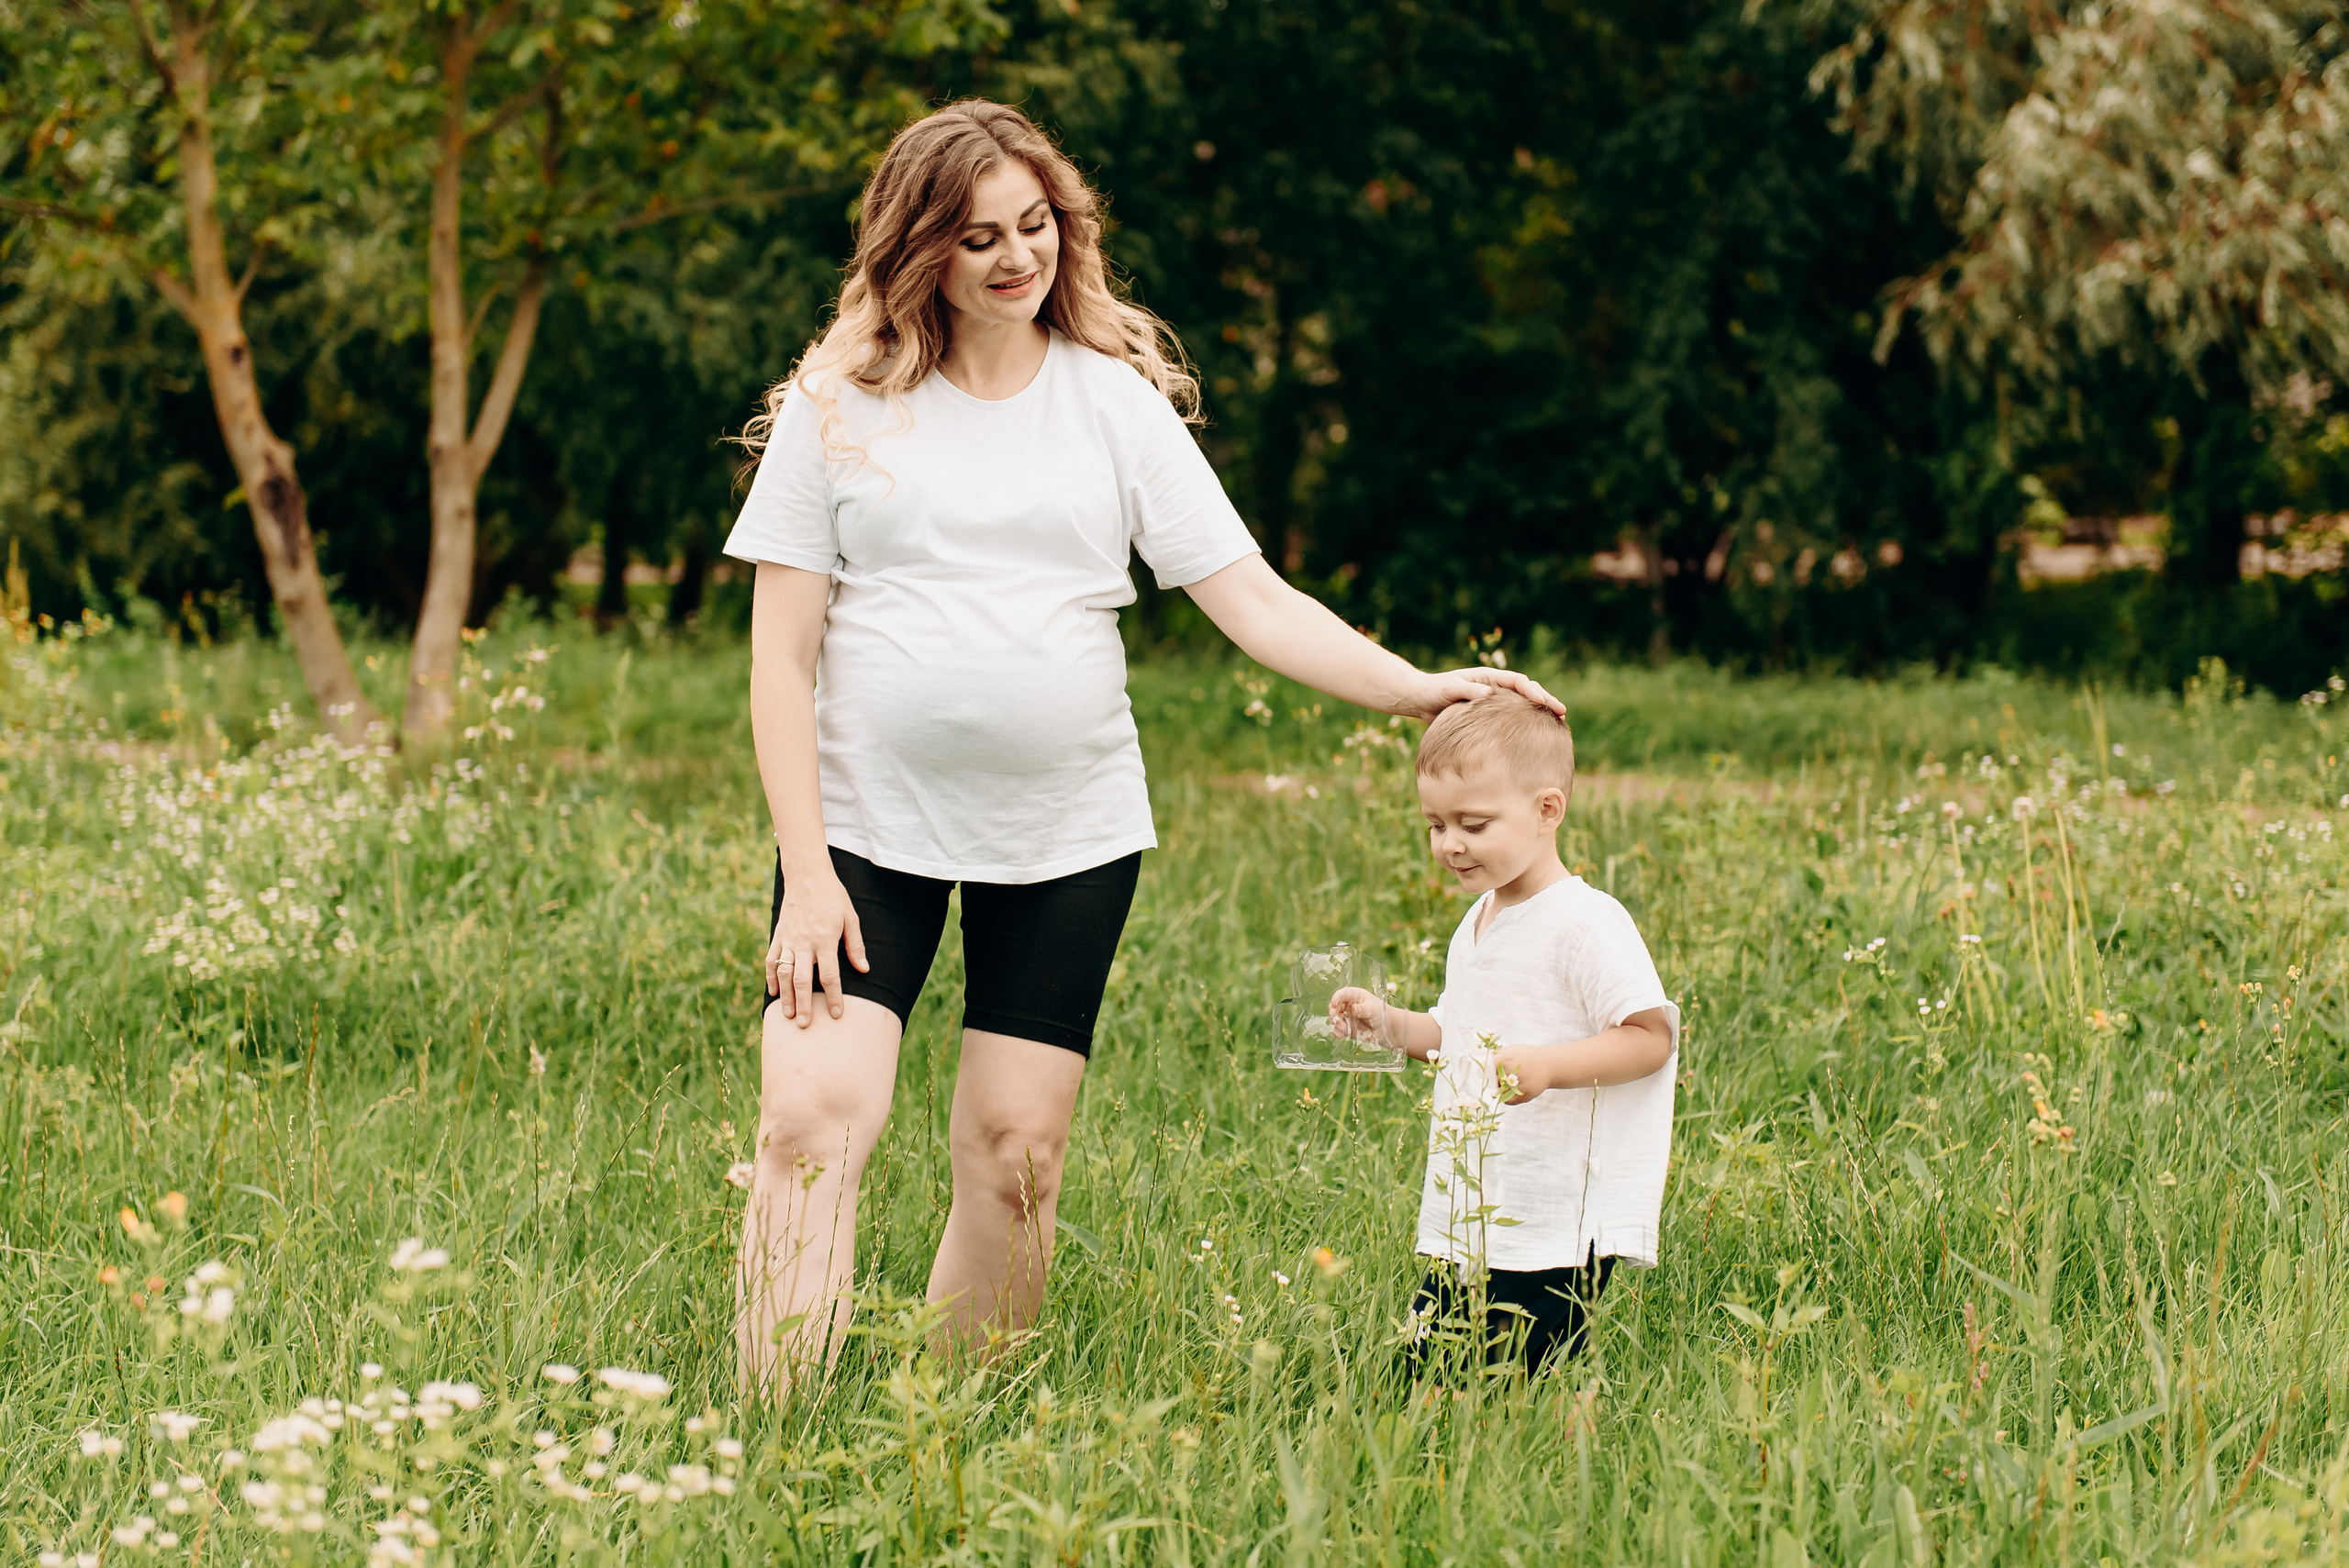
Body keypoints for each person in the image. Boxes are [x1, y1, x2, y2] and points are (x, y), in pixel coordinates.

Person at [723, 98, 1562, 1396]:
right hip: (858, 830)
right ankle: (772, 1426)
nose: (1018, 257)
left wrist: (1414, 689)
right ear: (920, 248)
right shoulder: (839, 406)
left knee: (1017, 1155)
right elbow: (780, 655)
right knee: (807, 1124)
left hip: (1065, 836)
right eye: (981, 235)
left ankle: (939, 1429)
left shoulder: (1113, 408)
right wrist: (808, 867)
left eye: (1036, 225)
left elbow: (1254, 598)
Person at [1329, 693, 1677, 1374]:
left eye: (1474, 823)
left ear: (1548, 809)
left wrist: (1550, 1066)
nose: (1450, 843)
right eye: (1436, 824)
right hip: (1469, 1203)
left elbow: (1649, 1036)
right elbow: (1457, 1034)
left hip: (1549, 1218)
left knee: (1539, 1374)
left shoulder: (1586, 921)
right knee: (1425, 1372)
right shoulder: (1480, 918)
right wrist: (1390, 1024)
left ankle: (1572, 1461)